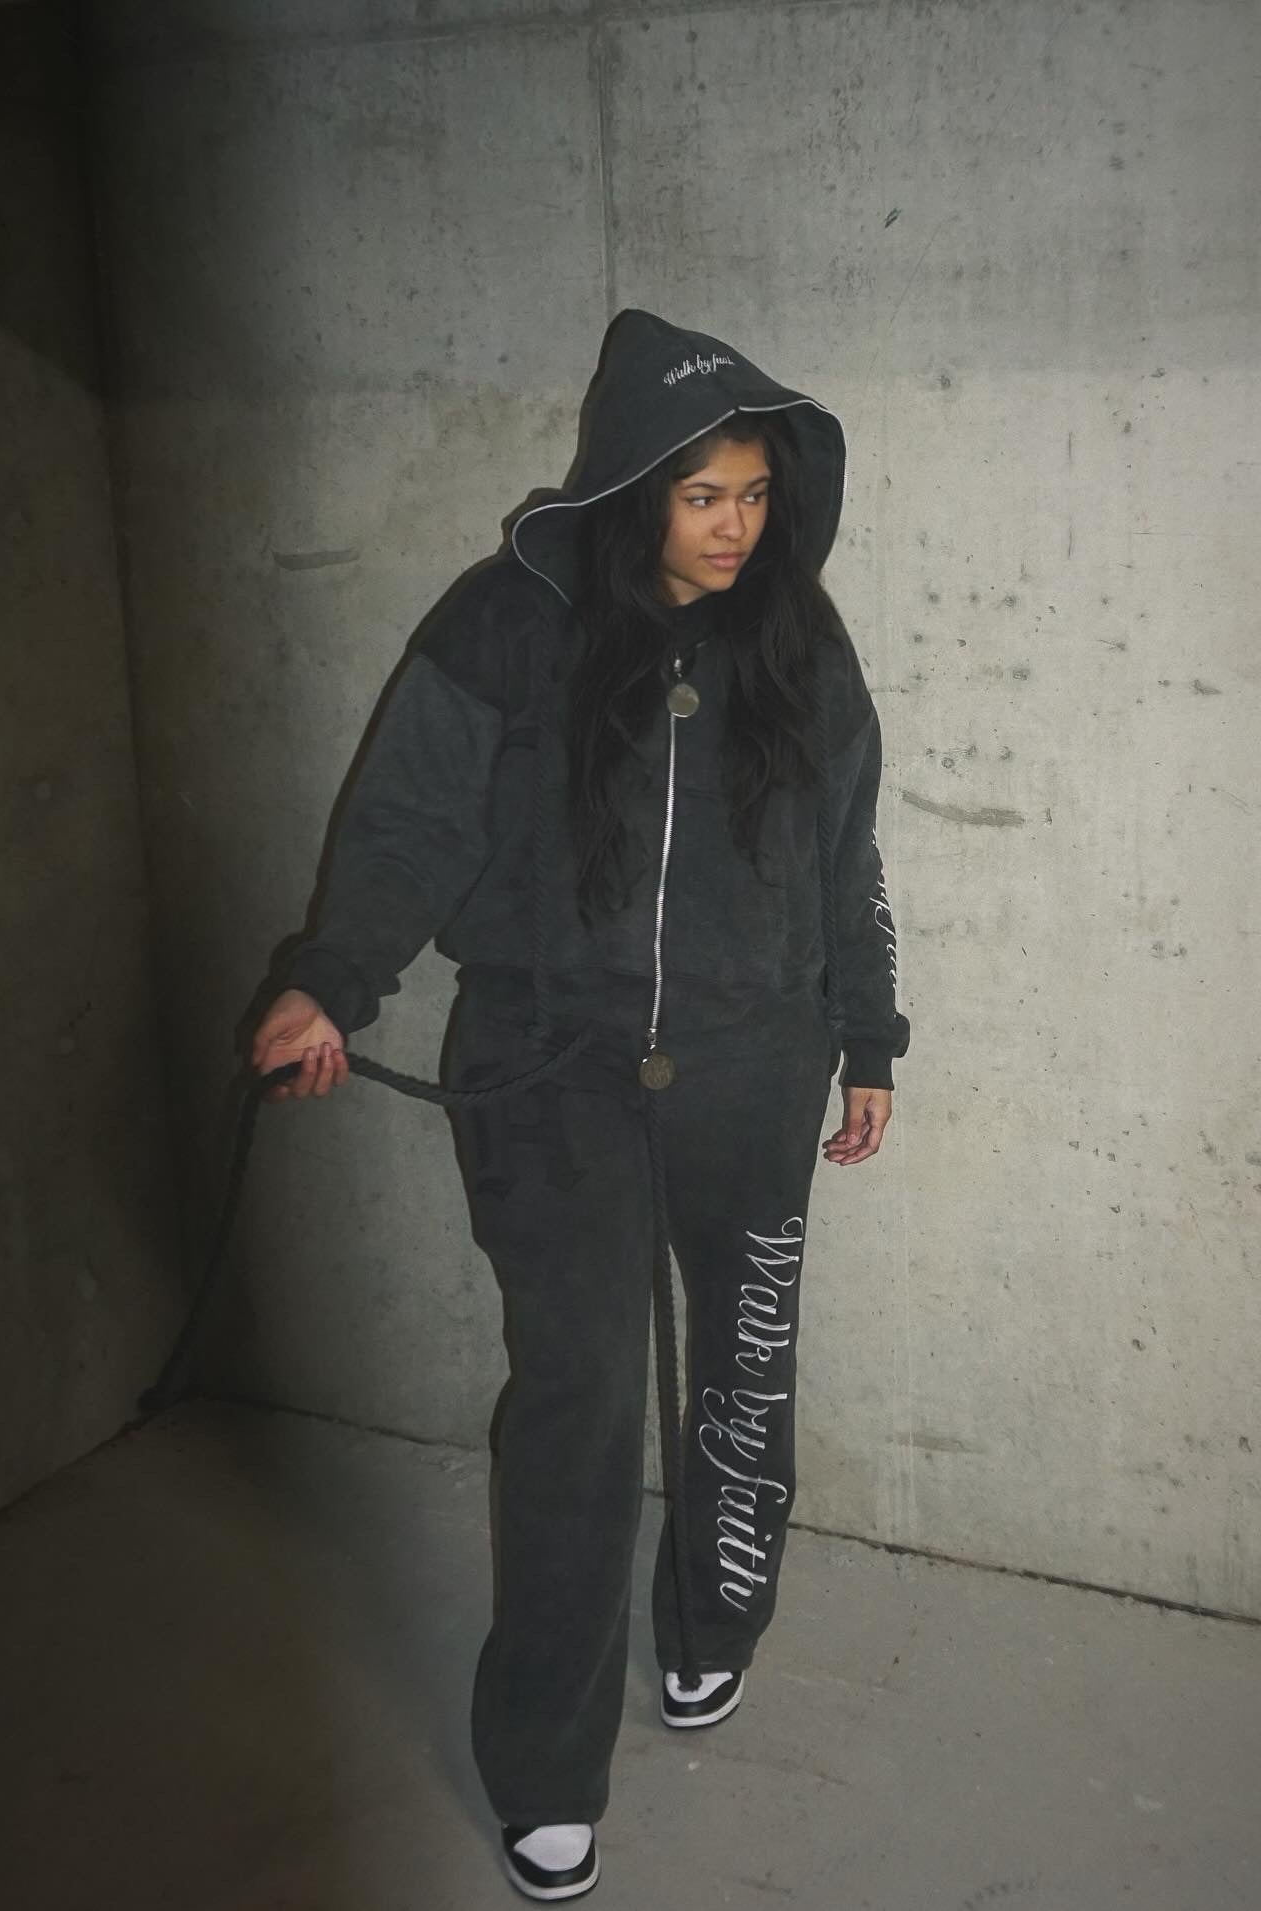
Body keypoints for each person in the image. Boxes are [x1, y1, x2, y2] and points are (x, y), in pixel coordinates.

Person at [249, 309, 909, 1901]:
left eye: (756, 493)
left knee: (742, 1367)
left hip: (753, 1065)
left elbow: (847, 854)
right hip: (551, 1068)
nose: (737, 526)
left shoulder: (799, 638)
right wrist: (332, 978)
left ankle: (714, 1619)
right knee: (583, 1392)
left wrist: (868, 1037)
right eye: (704, 496)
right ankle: (546, 1764)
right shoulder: (509, 619)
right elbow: (408, 818)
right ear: (631, 489)